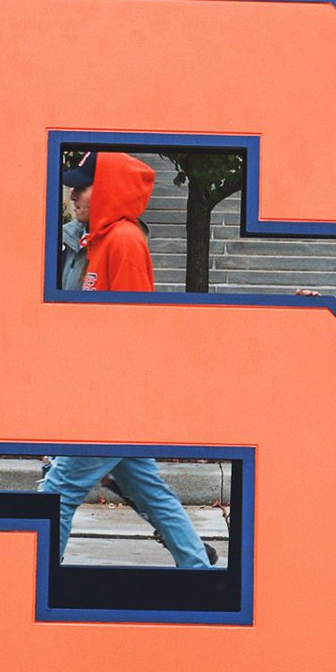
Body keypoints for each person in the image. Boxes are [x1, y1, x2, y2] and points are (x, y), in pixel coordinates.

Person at [39, 151, 212, 568]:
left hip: (111, 401)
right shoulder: (94, 241)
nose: (73, 194)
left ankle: (37, 584)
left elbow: (135, 331)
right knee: (150, 492)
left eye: (83, 186)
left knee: (55, 494)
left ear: (107, 190)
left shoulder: (123, 241)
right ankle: (198, 570)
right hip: (109, 397)